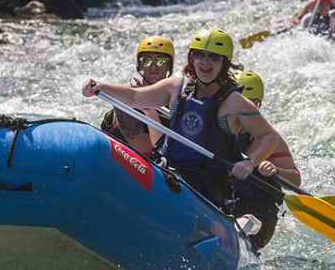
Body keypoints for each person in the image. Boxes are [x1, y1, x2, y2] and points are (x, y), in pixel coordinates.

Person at [82, 28, 281, 210]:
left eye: (213, 57)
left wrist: (251, 163)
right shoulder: (176, 87)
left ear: (224, 62)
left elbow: (268, 136)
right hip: (168, 171)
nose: (205, 62)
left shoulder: (235, 103)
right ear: (191, 59)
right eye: (199, 55)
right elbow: (135, 96)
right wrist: (100, 86)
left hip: (208, 187)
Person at [231, 70, 301, 250]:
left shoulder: (270, 139)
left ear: (257, 106)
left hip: (258, 214)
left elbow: (295, 179)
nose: (242, 112)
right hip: (227, 202)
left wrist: (276, 171)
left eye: (250, 104)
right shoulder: (219, 129)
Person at [100, 35, 175, 156]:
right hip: (128, 160)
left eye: (160, 61)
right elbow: (139, 145)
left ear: (168, 66)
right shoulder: (126, 97)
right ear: (140, 66)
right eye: (147, 61)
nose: (154, 66)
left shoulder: (176, 97)